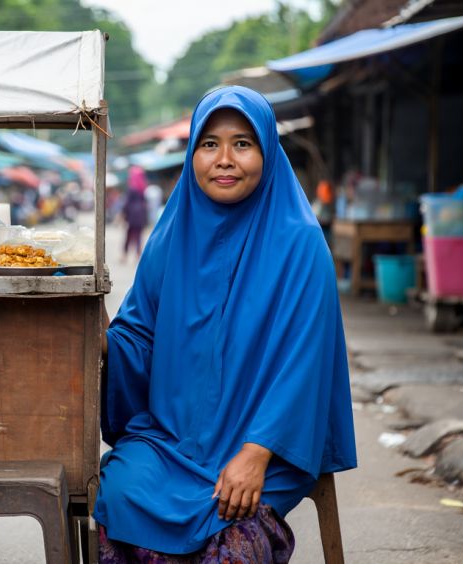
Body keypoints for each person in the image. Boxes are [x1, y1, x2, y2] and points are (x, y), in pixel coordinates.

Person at [95, 86, 356, 562]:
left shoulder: (300, 245)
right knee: (120, 491)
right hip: (171, 439)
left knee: (231, 533)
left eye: (243, 143)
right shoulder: (171, 237)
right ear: (193, 153)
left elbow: (305, 365)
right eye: (209, 144)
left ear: (268, 152)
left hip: (269, 445)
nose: (225, 159)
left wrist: (257, 453)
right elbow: (139, 335)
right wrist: (102, 339)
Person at [121, 166, 149, 262]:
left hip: (132, 214)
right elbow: (145, 203)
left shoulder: (132, 187)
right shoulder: (143, 187)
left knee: (129, 235)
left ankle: (124, 256)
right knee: (138, 236)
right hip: (141, 214)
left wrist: (124, 214)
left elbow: (127, 203)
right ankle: (138, 255)